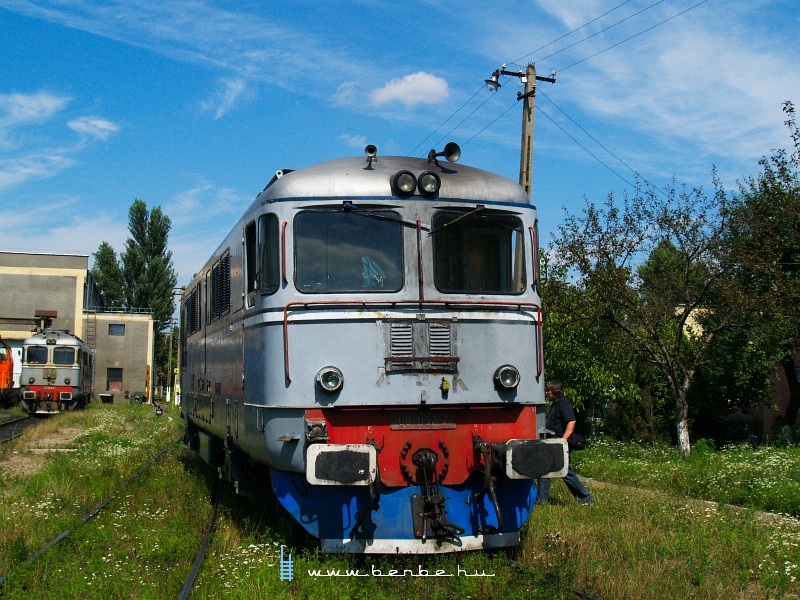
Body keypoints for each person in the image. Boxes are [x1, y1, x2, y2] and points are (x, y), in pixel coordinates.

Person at [536, 380, 595, 505]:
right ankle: (542, 499)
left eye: (548, 390)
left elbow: (571, 421)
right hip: (552, 441)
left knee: (565, 471)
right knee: (545, 469)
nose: (546, 393)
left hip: (559, 442)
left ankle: (586, 498)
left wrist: (563, 439)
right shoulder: (555, 404)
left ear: (555, 391)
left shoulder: (564, 402)